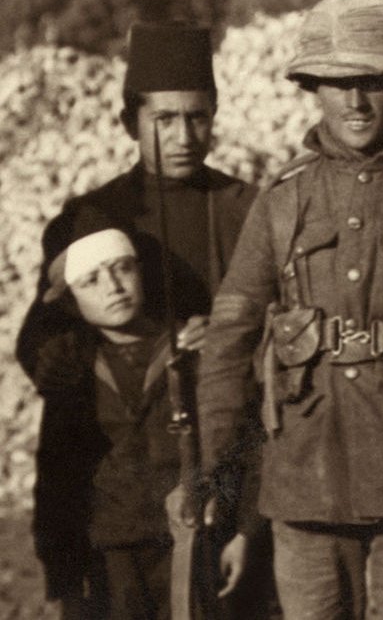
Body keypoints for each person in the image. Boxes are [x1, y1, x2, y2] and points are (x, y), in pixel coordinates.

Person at [198, 0, 383, 620]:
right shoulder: (280, 205)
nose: (355, 102)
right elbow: (229, 344)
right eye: (337, 83)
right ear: (313, 88)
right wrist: (216, 475)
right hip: (304, 484)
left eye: (373, 82)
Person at [18, 24, 256, 393]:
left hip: (224, 411)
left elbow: (286, 316)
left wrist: (229, 336)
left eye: (197, 118)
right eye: (164, 119)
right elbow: (43, 335)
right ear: (130, 123)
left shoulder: (250, 208)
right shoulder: (89, 217)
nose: (183, 138)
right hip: (127, 429)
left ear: (214, 115)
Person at [34, 227, 251, 619]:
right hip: (111, 554)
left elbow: (240, 446)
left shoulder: (194, 351)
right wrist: (60, 576)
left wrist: (243, 531)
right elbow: (56, 477)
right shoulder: (72, 373)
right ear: (71, 302)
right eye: (91, 280)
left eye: (122, 269)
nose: (113, 287)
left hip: (191, 544)